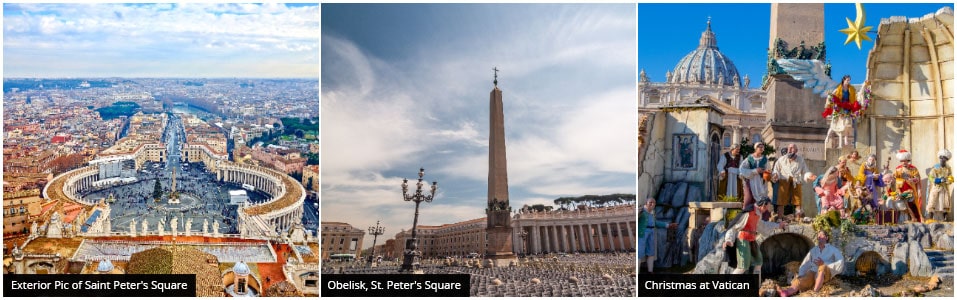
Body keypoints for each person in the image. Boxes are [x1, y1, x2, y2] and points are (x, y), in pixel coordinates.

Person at [723, 198, 786, 277]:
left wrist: (778, 225)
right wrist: (729, 239)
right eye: (767, 207)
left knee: (758, 262)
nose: (767, 210)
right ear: (763, 205)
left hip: (752, 240)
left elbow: (762, 225)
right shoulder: (748, 213)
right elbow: (734, 227)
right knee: (742, 267)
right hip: (743, 239)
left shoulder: (758, 214)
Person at [777, 230, 845, 297]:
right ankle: (786, 292)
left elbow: (840, 262)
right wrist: (801, 274)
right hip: (813, 272)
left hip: (826, 273)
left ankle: (815, 292)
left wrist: (824, 263)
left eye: (821, 235)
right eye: (818, 235)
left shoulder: (833, 250)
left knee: (822, 267)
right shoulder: (814, 250)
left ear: (826, 238)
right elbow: (806, 262)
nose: (819, 236)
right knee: (800, 281)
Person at [771, 143, 815, 219]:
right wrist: (775, 175)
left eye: (792, 148)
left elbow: (805, 171)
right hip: (784, 180)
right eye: (789, 148)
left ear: (796, 150)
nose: (790, 149)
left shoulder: (800, 160)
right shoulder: (781, 159)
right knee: (781, 201)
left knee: (798, 201)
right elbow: (776, 170)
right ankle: (780, 218)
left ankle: (798, 219)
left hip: (796, 181)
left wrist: (809, 175)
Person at [637, 198, 677, 274]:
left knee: (651, 252)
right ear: (646, 203)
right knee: (639, 252)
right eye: (650, 202)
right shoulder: (641, 211)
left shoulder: (652, 213)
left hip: (651, 233)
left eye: (654, 203)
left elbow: (655, 223)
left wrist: (668, 225)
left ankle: (650, 271)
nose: (652, 204)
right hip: (642, 233)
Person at [739, 142, 771, 210]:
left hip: (761, 182)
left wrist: (766, 172)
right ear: (756, 148)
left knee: (762, 199)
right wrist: (755, 171)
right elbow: (742, 169)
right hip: (751, 181)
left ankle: (761, 217)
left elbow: (768, 170)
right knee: (748, 198)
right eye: (760, 147)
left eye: (763, 147)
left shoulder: (765, 159)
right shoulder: (750, 158)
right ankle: (747, 216)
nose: (762, 148)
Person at [894, 149, 922, 223]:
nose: (904, 162)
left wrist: (911, 179)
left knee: (909, 203)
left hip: (910, 189)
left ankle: (914, 218)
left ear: (908, 160)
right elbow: (896, 179)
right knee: (901, 203)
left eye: (905, 161)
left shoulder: (913, 168)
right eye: (902, 161)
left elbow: (917, 179)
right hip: (900, 189)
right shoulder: (898, 169)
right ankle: (905, 218)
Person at [926, 149, 952, 222]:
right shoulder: (935, 167)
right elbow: (931, 177)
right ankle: (930, 218)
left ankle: (945, 219)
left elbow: (950, 176)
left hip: (944, 188)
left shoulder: (948, 168)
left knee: (945, 203)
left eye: (946, 158)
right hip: (936, 188)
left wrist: (949, 180)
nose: (944, 160)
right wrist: (939, 180)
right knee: (933, 202)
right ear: (940, 157)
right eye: (943, 158)